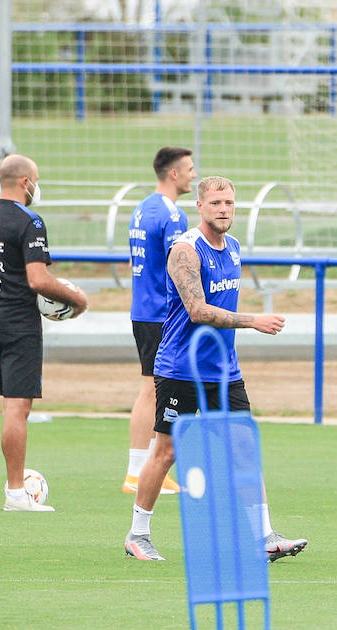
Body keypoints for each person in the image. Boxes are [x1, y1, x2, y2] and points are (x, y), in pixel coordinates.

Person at [123, 175, 307, 563]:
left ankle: (264, 537)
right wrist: (252, 320)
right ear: (200, 206)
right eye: (216, 203)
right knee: (167, 450)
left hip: (223, 370)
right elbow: (198, 311)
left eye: (229, 203)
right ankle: (138, 534)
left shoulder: (234, 247)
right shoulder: (185, 251)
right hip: (180, 368)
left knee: (244, 449)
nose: (224, 210)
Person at [0, 153, 88, 512]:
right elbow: (38, 280)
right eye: (36, 180)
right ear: (26, 182)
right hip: (18, 325)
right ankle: (15, 494)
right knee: (16, 406)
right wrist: (77, 299)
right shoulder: (30, 221)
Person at [123, 146, 196, 496]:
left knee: (151, 386)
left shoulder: (141, 208)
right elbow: (175, 268)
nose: (194, 175)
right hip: (161, 313)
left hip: (142, 308)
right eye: (190, 169)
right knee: (153, 389)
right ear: (174, 174)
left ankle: (145, 467)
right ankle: (138, 470)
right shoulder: (172, 215)